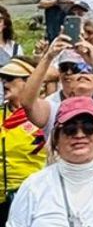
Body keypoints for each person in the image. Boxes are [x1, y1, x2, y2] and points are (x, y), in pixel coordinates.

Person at [8, 96, 93, 227]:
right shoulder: (33, 186)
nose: (79, 135)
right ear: (56, 138)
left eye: (89, 127)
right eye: (70, 128)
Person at [0, 58, 46, 225]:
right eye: (3, 78)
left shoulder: (44, 115)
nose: (5, 83)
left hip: (34, 199)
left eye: (11, 78)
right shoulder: (0, 115)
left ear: (29, 82)